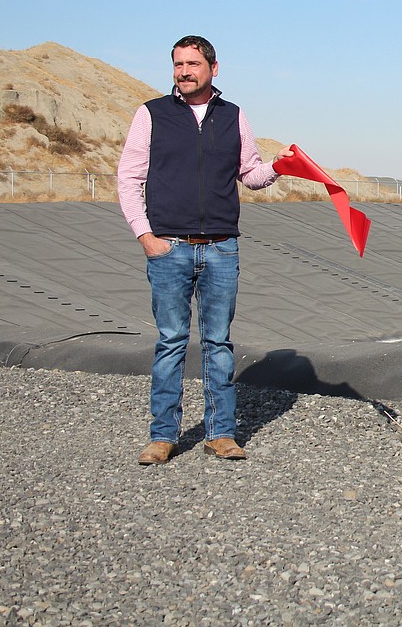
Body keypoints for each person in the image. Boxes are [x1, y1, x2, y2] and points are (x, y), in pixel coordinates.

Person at [117, 35, 292, 465]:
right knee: (172, 341)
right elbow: (128, 178)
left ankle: (220, 433)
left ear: (214, 67)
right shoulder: (151, 114)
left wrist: (279, 166)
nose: (183, 71)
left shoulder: (233, 115)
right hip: (168, 247)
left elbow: (249, 173)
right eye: (177, 64)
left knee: (218, 342)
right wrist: (146, 237)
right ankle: (163, 436)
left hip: (221, 248)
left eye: (192, 63)